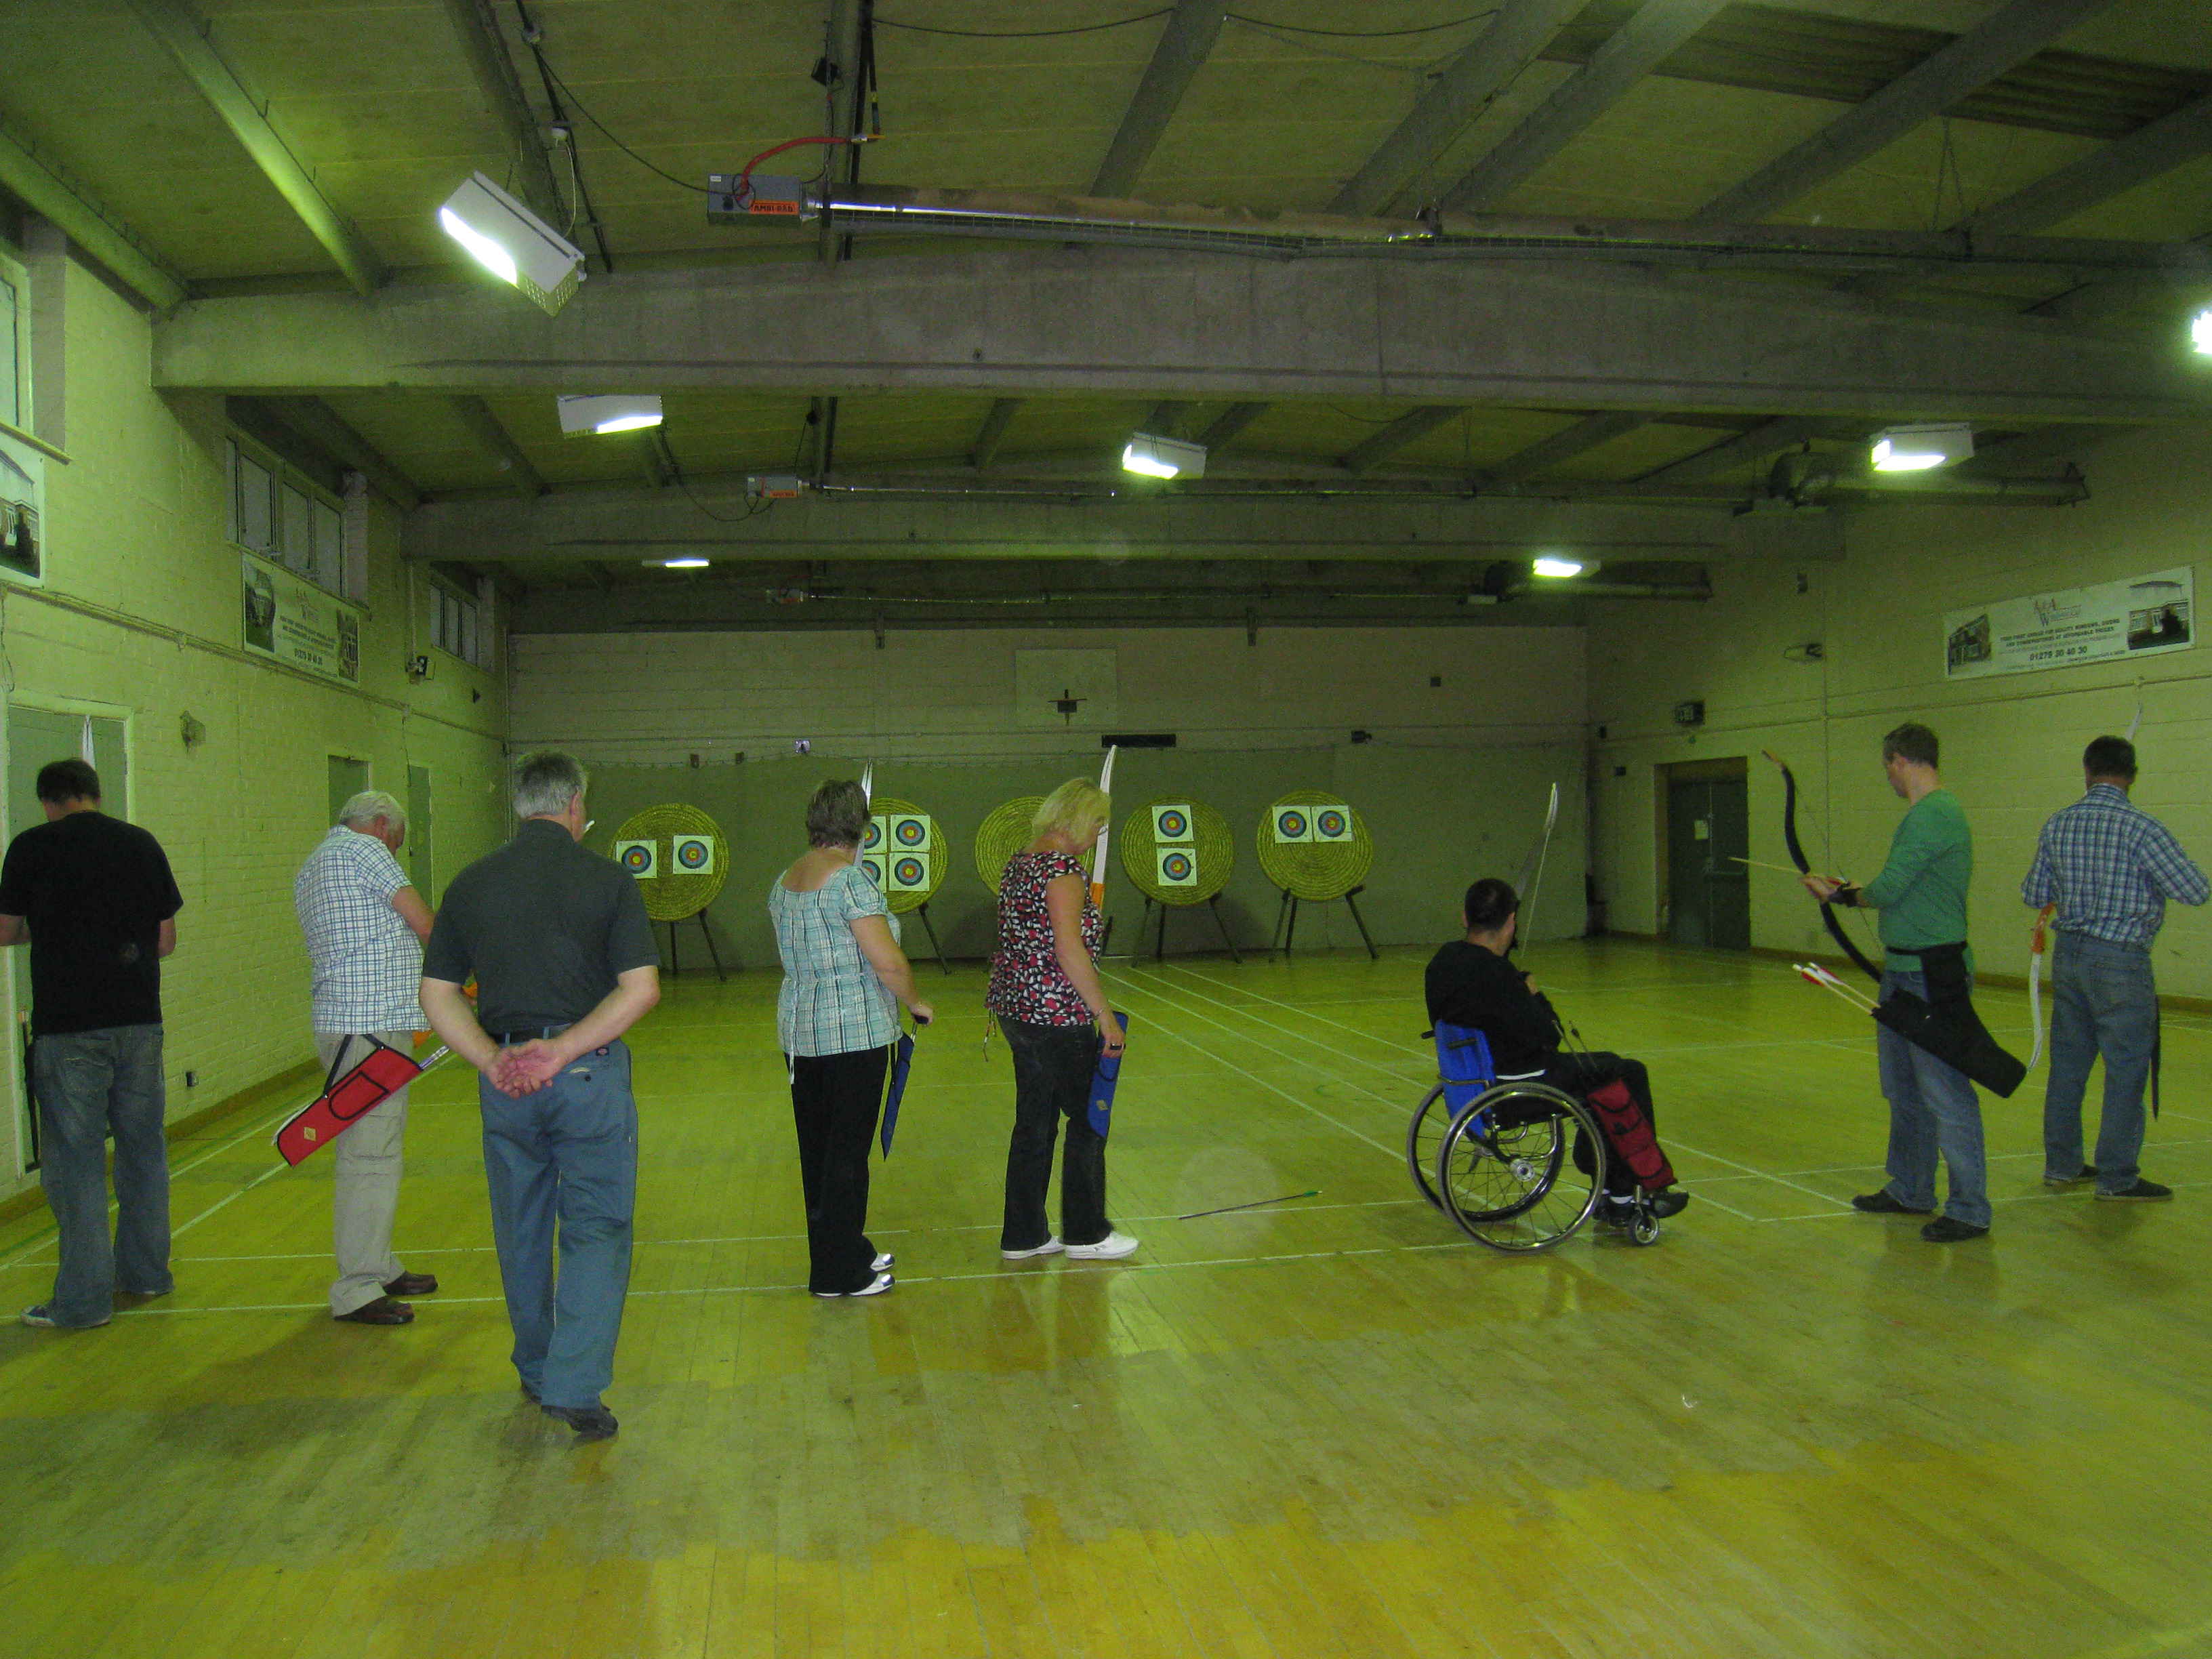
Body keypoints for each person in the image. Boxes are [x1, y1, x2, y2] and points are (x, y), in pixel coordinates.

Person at [419, 752, 659, 1443]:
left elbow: (437, 994)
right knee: (596, 1226)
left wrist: (493, 1058)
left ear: (520, 806)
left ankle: (536, 1365)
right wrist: (562, 1050)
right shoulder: (607, 880)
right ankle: (574, 1384)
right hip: (586, 1076)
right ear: (576, 805)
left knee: (520, 1228)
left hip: (507, 1085)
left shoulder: (470, 884)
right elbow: (640, 989)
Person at [0, 759, 183, 1329]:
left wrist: (53, 927)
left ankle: (82, 1303)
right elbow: (165, 941)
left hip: (69, 1028)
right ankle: (147, 1275)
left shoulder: (31, 847)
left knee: (75, 1164)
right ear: (95, 795)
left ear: (48, 801)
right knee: (143, 1151)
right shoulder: (141, 844)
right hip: (139, 1024)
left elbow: (6, 931)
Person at [1803, 721, 1990, 1242]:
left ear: (1898, 761)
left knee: (1945, 1091)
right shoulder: (1925, 816)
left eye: (1887, 767)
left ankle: (1970, 1208)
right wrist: (1848, 889)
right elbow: (1900, 887)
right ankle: (1911, 1188)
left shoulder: (1935, 814)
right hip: (1905, 971)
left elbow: (1888, 889)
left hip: (1933, 974)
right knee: (1904, 1088)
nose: (1887, 776)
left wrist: (1840, 895)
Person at [1424, 877, 1688, 1227]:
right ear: (1511, 922)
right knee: (1626, 1073)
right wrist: (1534, 995)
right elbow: (1548, 1037)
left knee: (1602, 1069)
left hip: (1471, 1081)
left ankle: (1607, 1176)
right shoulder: (1497, 975)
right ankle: (1624, 1194)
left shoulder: (1443, 962)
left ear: (1464, 917)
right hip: (1516, 1084)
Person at [2022, 735, 2207, 1201]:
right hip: (2121, 960)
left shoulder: (2058, 824)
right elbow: (2195, 890)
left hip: (2070, 957)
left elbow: (2033, 893)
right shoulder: (2143, 829)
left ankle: (2062, 1165)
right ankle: (2117, 1177)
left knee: (2068, 1068)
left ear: (2087, 772)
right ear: (2133, 775)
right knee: (2126, 1069)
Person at [769, 780, 934, 1298]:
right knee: (846, 1156)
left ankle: (842, 1251)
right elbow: (888, 962)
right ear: (860, 826)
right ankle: (838, 1273)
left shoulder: (786, 878)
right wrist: (915, 1002)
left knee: (820, 1151)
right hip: (854, 1034)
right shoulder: (851, 883)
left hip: (800, 1034)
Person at [293, 790, 441, 1326]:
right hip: (370, 1030)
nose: (395, 851)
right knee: (370, 1156)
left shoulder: (315, 862)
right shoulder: (365, 850)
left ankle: (376, 1265)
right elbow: (424, 922)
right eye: (397, 842)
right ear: (381, 825)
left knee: (371, 1149)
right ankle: (357, 1286)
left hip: (349, 1025)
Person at [986, 778, 1136, 1263]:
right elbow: (1069, 950)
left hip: (1018, 1010)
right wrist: (1105, 1016)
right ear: (1076, 820)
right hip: (1058, 1015)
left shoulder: (1020, 862)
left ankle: (1024, 1234)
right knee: (1088, 1120)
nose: (1097, 835)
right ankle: (1087, 1233)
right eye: (1096, 824)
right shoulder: (1062, 871)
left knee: (1034, 1124)